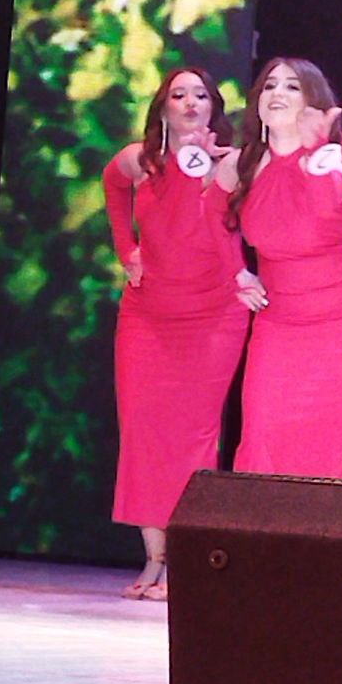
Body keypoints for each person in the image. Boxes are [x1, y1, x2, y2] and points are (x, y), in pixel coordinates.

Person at [102, 68, 249, 599]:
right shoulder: (140, 161)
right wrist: (127, 250)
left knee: (195, 434)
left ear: (214, 107)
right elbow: (112, 185)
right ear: (162, 108)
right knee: (143, 431)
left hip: (213, 313)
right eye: (178, 95)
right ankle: (153, 559)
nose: (189, 103)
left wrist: (213, 169)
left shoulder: (231, 159)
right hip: (147, 314)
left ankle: (184, 562)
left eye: (200, 95)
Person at [210, 58, 342, 477]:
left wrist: (315, 151)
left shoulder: (331, 160)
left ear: (313, 102)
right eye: (270, 85)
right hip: (280, 325)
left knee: (331, 456)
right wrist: (238, 273)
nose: (277, 94)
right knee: (261, 444)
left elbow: (326, 215)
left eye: (292, 87)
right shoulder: (240, 166)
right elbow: (213, 217)